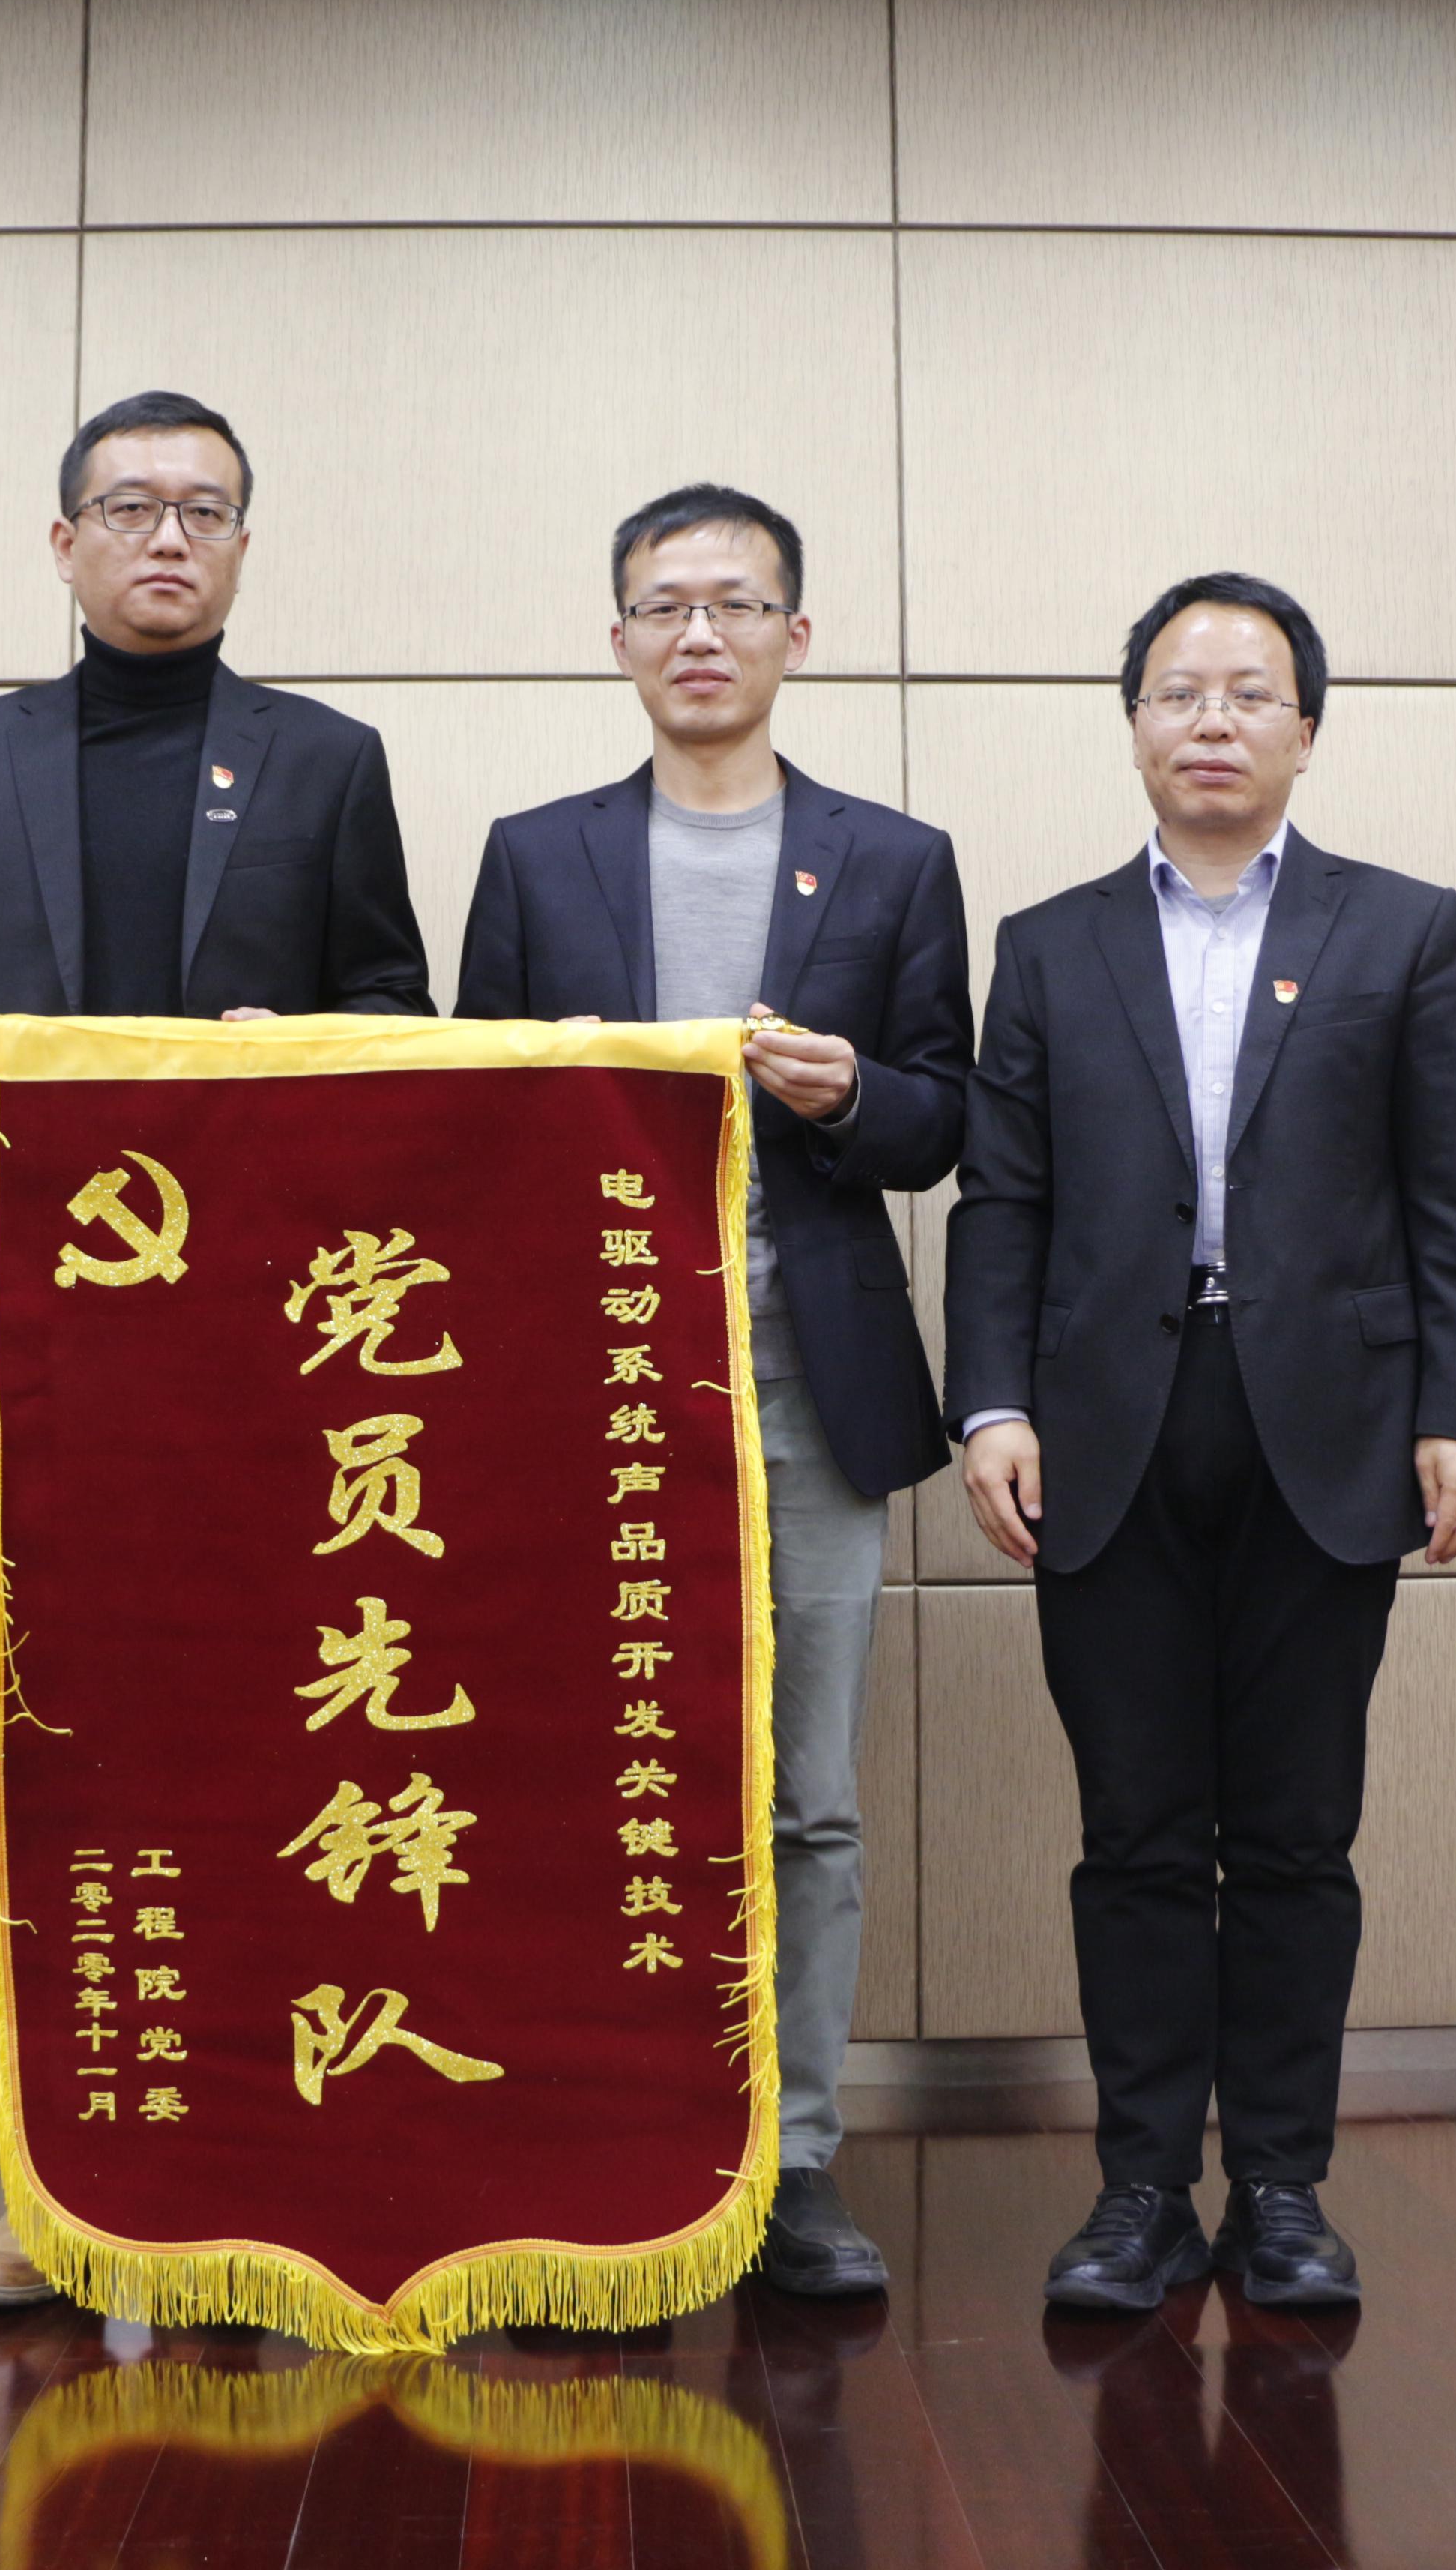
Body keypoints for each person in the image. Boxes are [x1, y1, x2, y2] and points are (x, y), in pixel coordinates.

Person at [0, 390, 432, 2314]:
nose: (166, 537)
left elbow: (396, 1007)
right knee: (36, 1752)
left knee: (267, 1744)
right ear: (65, 542)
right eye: (130, 507)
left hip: (260, 1354)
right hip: (18, 1346)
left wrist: (306, 1057)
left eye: (204, 510)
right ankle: (57, 2181)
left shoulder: (327, 762)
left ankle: (254, 2164)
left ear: (245, 545)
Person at [940, 573, 1456, 2313]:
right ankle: (1136, 2192)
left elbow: (1454, 1200)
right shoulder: (1049, 945)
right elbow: (1003, 1201)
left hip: (1328, 1429)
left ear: (1306, 732)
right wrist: (992, 1403)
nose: (1212, 721)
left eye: (1250, 693)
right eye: (1179, 691)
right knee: (1134, 1830)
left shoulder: (1402, 930)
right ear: (1133, 726)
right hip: (1104, 1430)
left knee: (1293, 1833)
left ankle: (1277, 2188)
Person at [452, 483, 973, 2296]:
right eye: (665, 604)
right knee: (581, 1769)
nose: (700, 634)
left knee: (805, 1787)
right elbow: (472, 1119)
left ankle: (797, 2158)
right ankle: (595, 2138)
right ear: (618, 640)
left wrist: (851, 1095)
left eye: (737, 603)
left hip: (807, 1370)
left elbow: (947, 1118)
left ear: (794, 637)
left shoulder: (893, 859)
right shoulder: (538, 856)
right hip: (585, 1378)